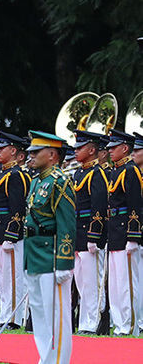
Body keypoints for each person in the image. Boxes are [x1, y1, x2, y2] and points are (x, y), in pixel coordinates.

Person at [24, 130, 76, 364]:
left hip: (51, 254)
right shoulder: (37, 181)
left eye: (36, 152)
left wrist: (64, 262)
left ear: (52, 154)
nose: (30, 156)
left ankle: (58, 361)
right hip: (34, 252)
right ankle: (45, 358)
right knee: (40, 313)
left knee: (57, 315)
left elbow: (67, 224)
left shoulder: (60, 182)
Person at [0, 131, 29, 329]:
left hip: (7, 229)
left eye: (2, 148)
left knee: (12, 276)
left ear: (13, 150)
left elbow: (17, 207)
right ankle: (4, 315)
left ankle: (12, 318)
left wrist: (11, 234)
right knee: (1, 277)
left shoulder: (16, 175)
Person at [71, 130, 108, 335]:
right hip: (77, 232)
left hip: (89, 233)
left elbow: (99, 206)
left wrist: (94, 236)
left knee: (92, 282)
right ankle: (84, 321)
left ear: (92, 150)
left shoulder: (97, 173)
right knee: (81, 281)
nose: (76, 152)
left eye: (80, 148)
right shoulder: (79, 173)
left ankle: (93, 322)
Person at [105, 129, 142, 336]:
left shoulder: (131, 170)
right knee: (116, 284)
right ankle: (120, 324)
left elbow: (134, 204)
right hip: (114, 231)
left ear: (125, 148)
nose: (110, 151)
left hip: (125, 231)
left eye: (114, 147)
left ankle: (129, 326)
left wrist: (133, 236)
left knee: (127, 284)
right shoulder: (115, 170)